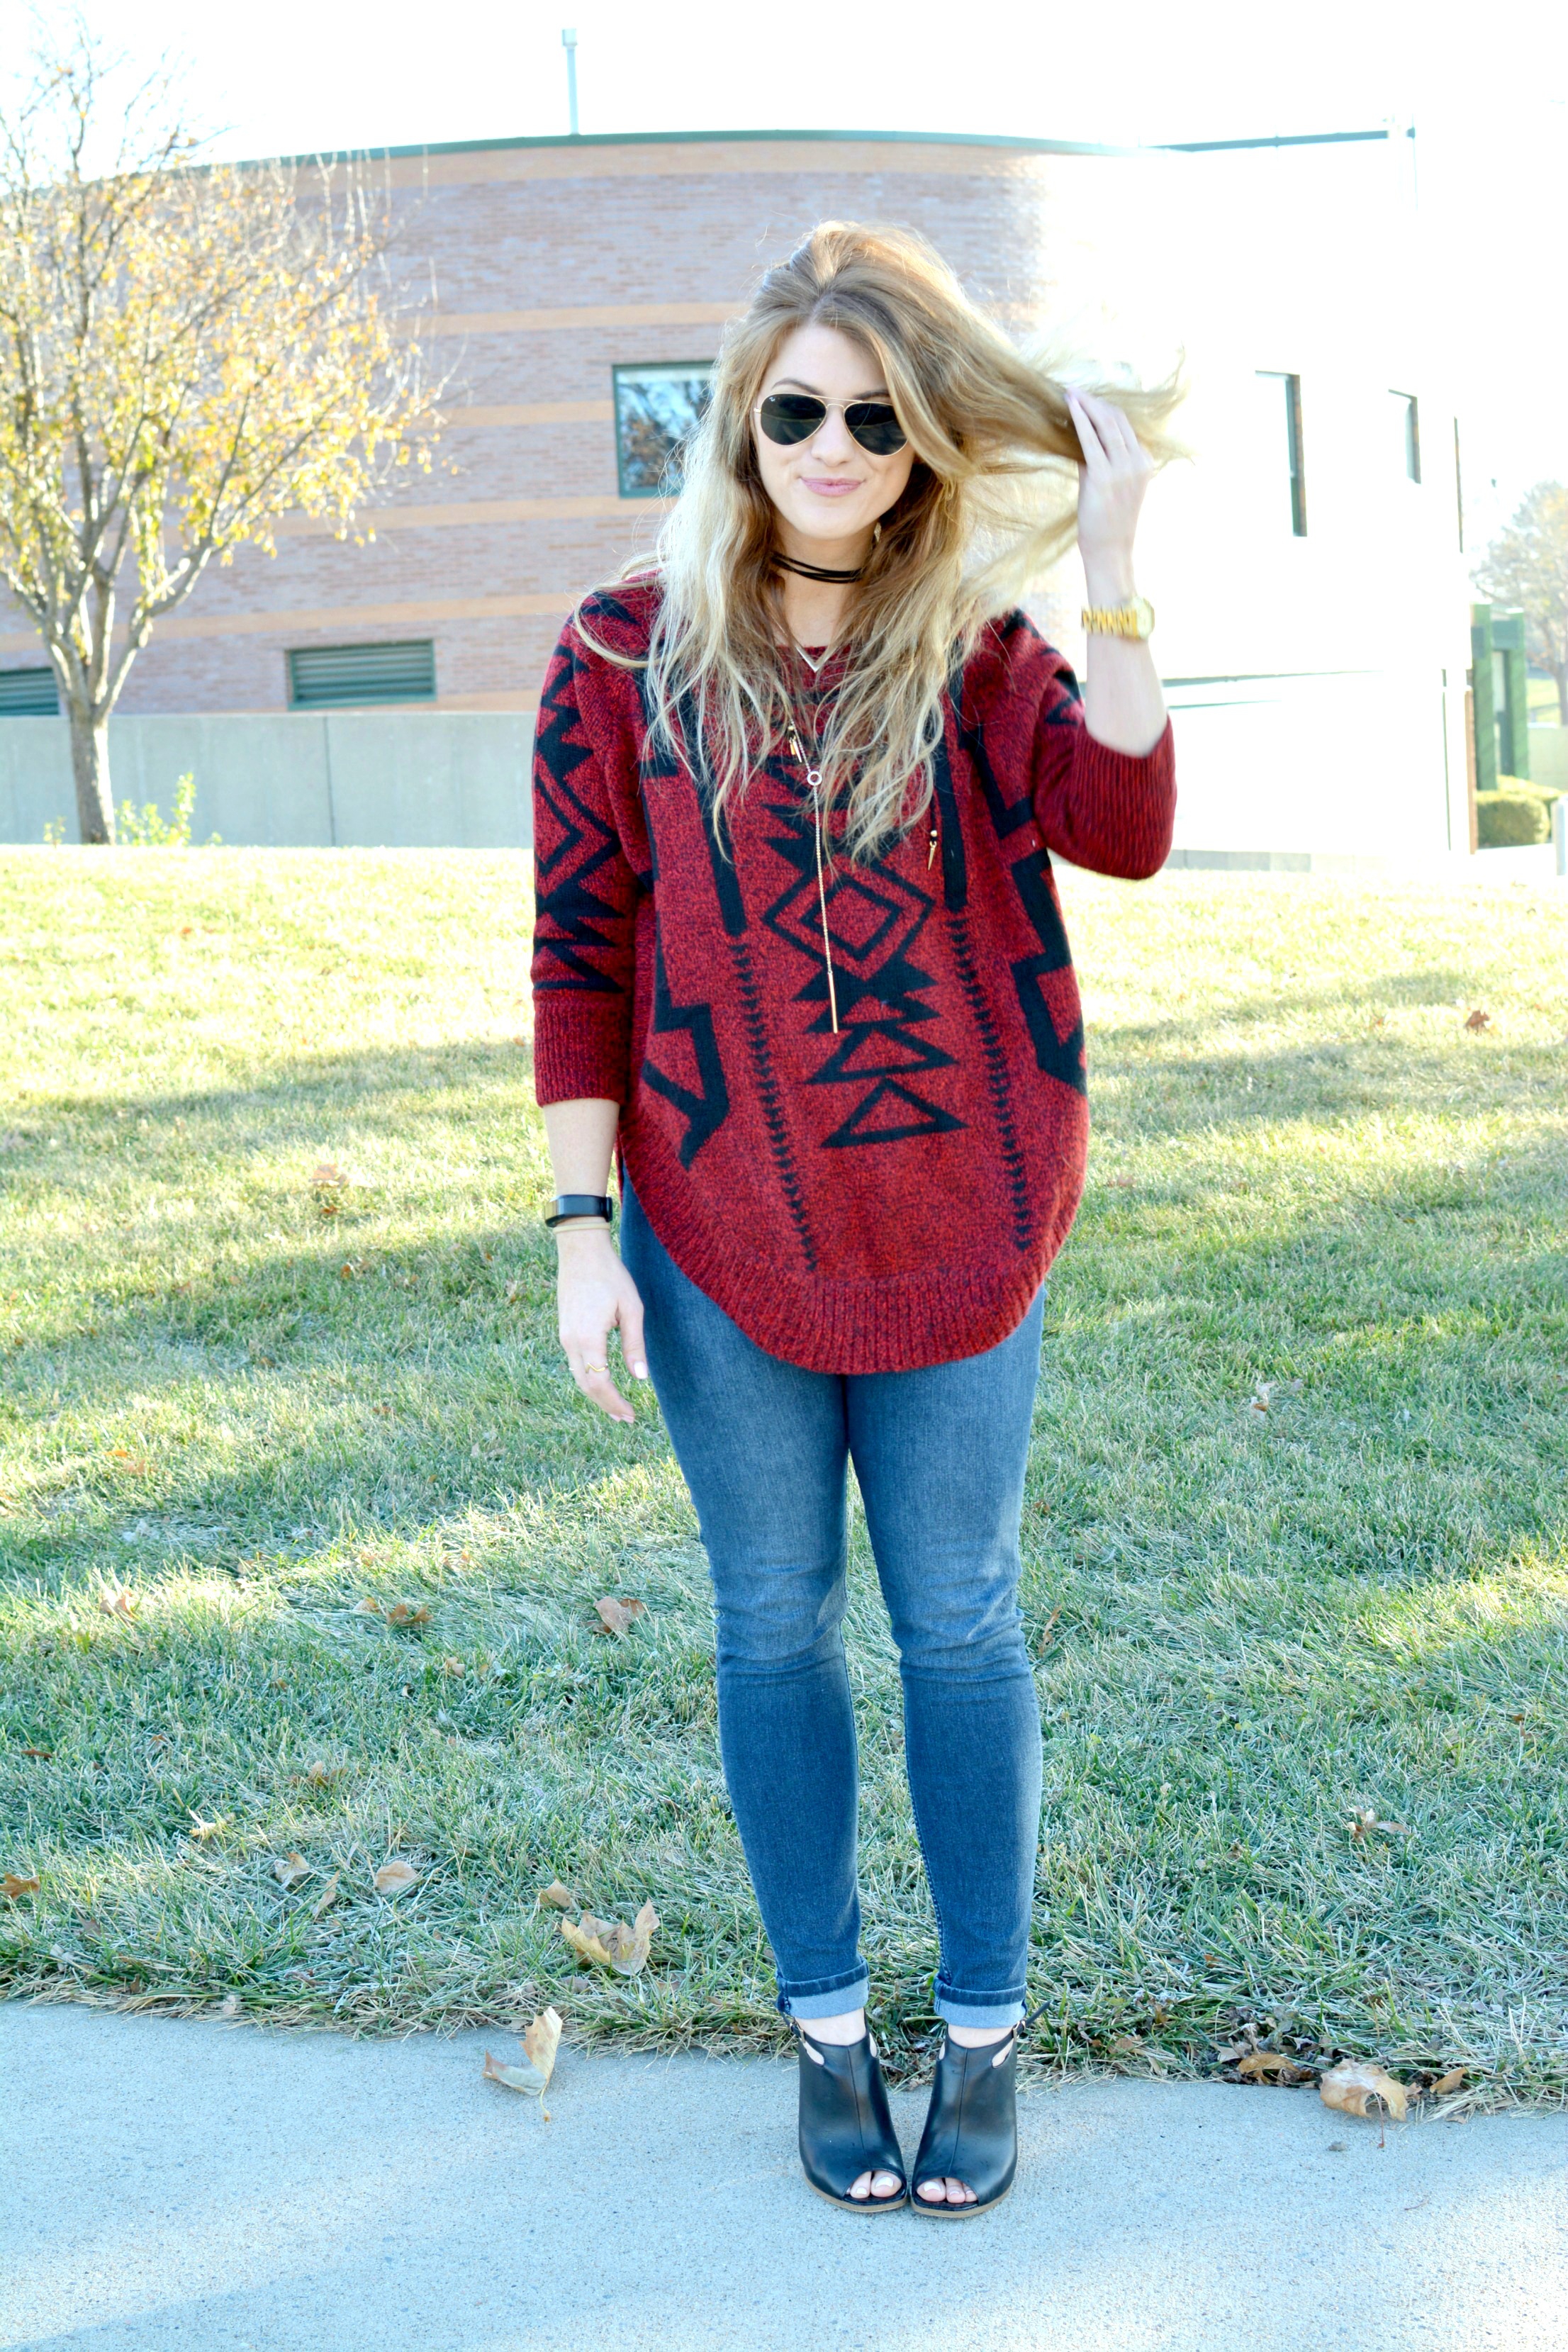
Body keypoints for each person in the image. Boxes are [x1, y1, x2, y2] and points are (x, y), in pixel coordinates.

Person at [531, 221, 1179, 2217]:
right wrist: (578, 1231)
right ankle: (828, 2034)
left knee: (961, 1624)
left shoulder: (982, 659)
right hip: (717, 1234)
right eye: (792, 407)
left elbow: (1127, 828)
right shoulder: (620, 654)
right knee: (764, 1622)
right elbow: (579, 950)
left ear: (917, 448)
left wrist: (1119, 574)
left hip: (961, 1220)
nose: (826, 443)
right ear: (741, 421)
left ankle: (978, 2039)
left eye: (871, 416)